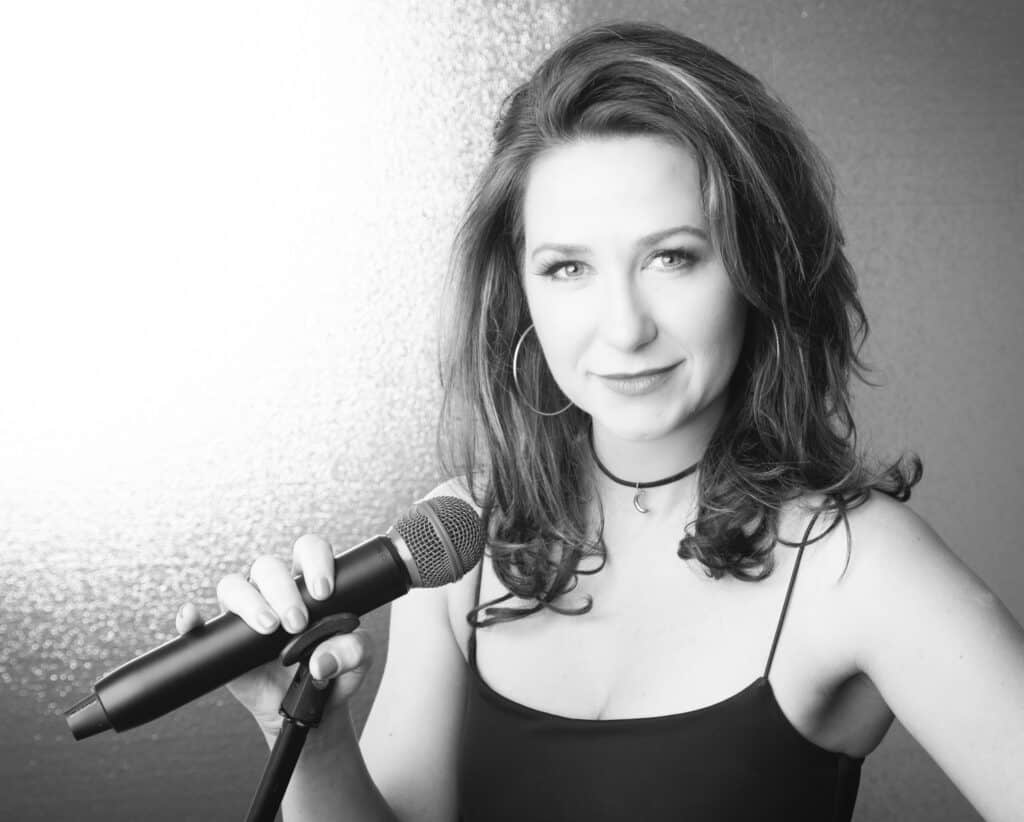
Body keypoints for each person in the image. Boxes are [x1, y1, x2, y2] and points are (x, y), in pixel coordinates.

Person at [176, 21, 1024, 822]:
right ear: (521, 292)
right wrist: (307, 734)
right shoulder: (464, 538)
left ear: (758, 267)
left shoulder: (855, 563)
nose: (623, 329)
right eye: (568, 268)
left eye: (672, 257)